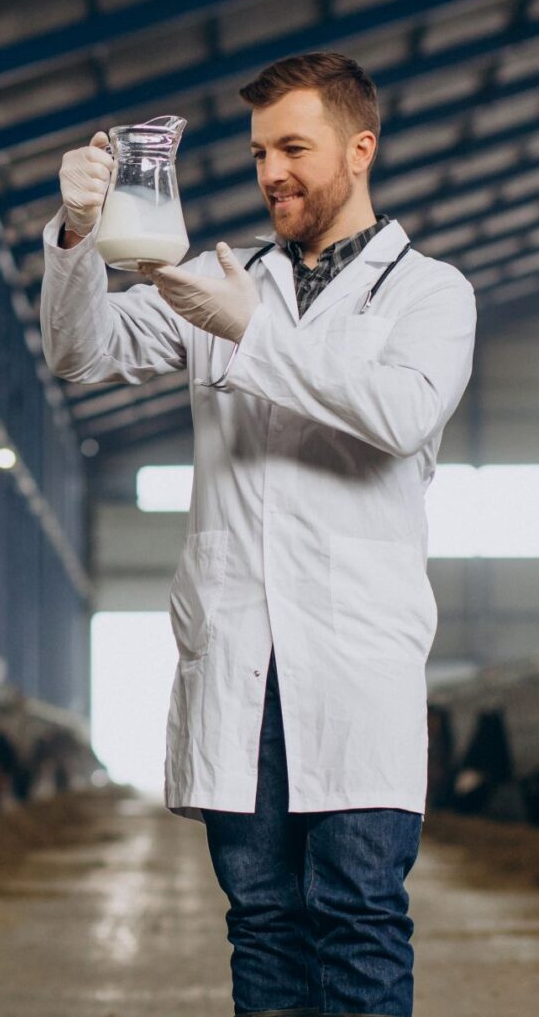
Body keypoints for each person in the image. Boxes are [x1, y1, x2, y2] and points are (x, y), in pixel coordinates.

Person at [40, 52, 477, 1017]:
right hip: (242, 661)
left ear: (360, 150)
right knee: (263, 921)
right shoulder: (220, 283)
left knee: (359, 916)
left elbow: (398, 415)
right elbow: (81, 350)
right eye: (257, 153)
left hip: (356, 663)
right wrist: (76, 234)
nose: (271, 170)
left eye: (294, 147)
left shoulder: (431, 296)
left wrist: (250, 332)